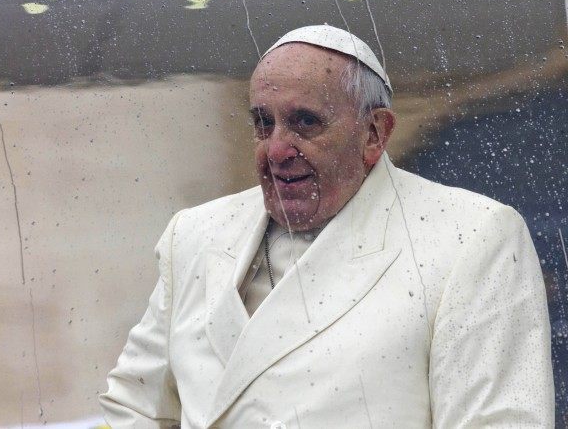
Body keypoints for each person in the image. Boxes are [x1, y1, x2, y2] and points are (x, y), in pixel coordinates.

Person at [99, 25, 554, 428]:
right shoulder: (194, 235)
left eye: (305, 123)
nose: (276, 150)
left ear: (374, 133)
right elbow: (135, 407)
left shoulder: (472, 237)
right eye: (263, 123)